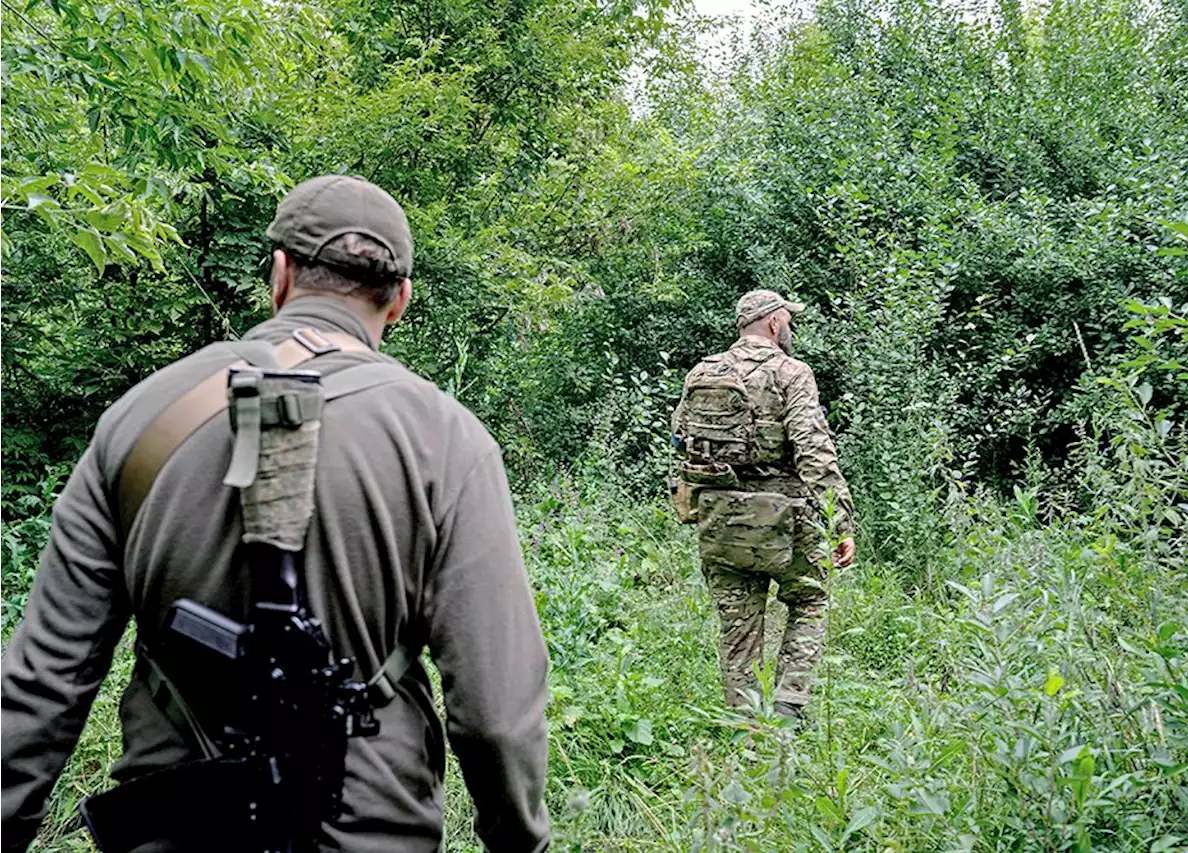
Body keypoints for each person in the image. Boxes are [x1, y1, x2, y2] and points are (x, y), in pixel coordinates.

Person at [0, 175, 551, 853]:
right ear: (401, 299)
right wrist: (518, 842)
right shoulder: (448, 440)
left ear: (281, 273)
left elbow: (42, 684)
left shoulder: (139, 419)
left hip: (174, 830)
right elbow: (497, 719)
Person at [671, 289, 856, 722]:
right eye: (788, 320)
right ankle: (789, 708)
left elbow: (682, 441)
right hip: (789, 522)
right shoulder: (792, 372)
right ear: (774, 323)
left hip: (724, 520)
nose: (790, 327)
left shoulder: (703, 372)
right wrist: (840, 522)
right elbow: (814, 450)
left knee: (738, 631)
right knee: (810, 602)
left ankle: (744, 724)